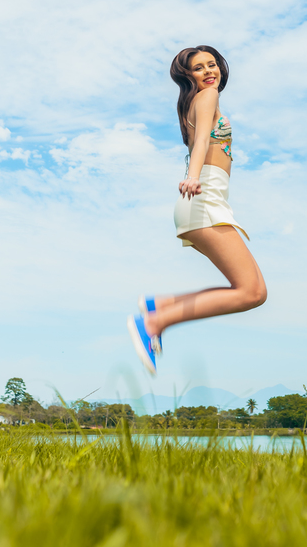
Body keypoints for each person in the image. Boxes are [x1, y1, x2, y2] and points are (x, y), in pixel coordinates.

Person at [127, 45, 268, 374]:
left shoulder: (197, 101)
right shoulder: (207, 97)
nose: (209, 71)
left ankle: (161, 306)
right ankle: (155, 321)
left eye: (212, 64)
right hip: (203, 198)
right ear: (188, 75)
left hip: (207, 200)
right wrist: (192, 176)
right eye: (199, 67)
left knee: (252, 291)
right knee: (251, 292)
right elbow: (202, 140)